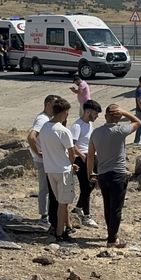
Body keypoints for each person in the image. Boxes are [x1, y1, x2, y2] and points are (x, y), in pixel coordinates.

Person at [87, 104, 141, 248]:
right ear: (119, 117)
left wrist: (90, 172)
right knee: (116, 207)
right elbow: (138, 122)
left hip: (103, 174)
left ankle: (111, 233)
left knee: (108, 205)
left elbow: (91, 156)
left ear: (105, 116)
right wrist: (125, 111)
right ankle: (112, 239)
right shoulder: (120, 130)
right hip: (118, 173)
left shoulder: (96, 133)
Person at [39, 98, 77, 242]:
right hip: (63, 170)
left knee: (61, 201)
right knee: (63, 203)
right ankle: (60, 233)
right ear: (64, 112)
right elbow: (72, 153)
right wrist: (72, 164)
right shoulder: (63, 131)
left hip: (50, 169)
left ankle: (67, 226)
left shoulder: (44, 128)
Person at [69, 99, 101, 229]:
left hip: (91, 157)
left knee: (92, 184)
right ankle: (87, 216)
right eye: (95, 113)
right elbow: (72, 144)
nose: (97, 116)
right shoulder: (77, 125)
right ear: (88, 112)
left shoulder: (89, 125)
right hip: (81, 159)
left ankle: (78, 208)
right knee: (85, 186)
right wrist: (82, 156)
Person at [27, 95, 58, 224]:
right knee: (45, 188)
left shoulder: (49, 118)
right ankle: (44, 216)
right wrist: (38, 152)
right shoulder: (42, 119)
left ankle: (49, 214)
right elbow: (31, 137)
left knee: (50, 187)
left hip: (48, 159)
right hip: (43, 160)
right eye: (55, 105)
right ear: (48, 104)